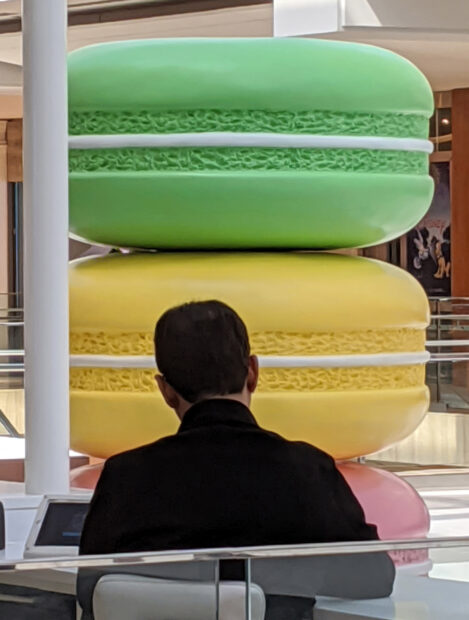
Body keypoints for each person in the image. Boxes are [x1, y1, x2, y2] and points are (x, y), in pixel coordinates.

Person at [79, 300, 395, 618]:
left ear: (166, 391)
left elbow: (89, 588)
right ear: (253, 372)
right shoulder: (307, 469)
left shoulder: (125, 477)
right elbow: (374, 577)